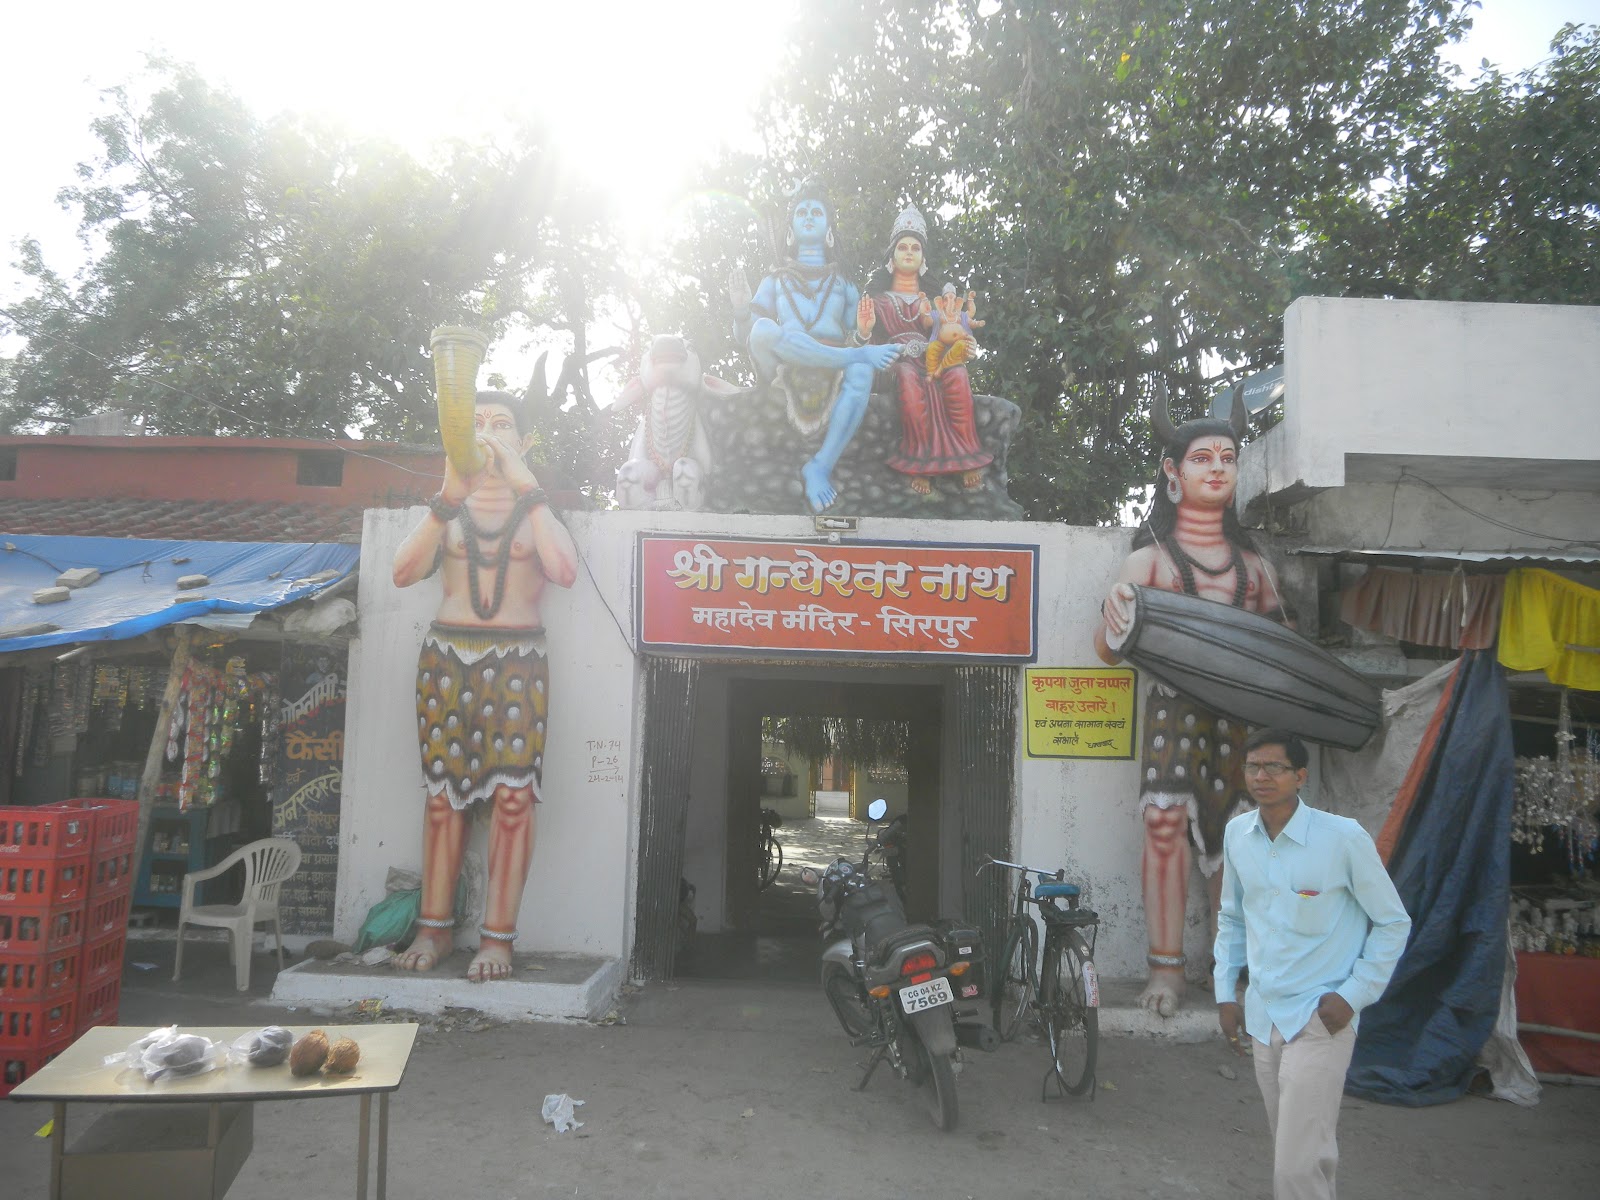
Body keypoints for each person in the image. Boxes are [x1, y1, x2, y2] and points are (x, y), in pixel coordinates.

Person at [1095, 388, 1282, 1015]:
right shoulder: (1147, 562)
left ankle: (1233, 973)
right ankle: (1166, 971)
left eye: (1227, 458)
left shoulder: (1254, 567)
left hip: (1241, 716)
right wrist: (1116, 619)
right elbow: (1107, 650)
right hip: (1172, 708)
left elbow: (1281, 652)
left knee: (1240, 835)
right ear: (1172, 473)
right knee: (1164, 824)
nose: (1217, 469)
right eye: (1202, 458)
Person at [390, 391, 578, 982]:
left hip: (520, 662)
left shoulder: (536, 511)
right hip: (446, 658)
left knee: (515, 799)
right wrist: (447, 498)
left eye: (502, 424)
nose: (489, 433)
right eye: (475, 425)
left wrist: (530, 488)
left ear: (524, 441)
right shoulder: (446, 508)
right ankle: (434, 929)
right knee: (443, 800)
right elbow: (402, 573)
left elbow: (564, 571)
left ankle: (498, 939)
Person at [1215, 729, 1411, 1200]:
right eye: (1253, 767)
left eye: (1274, 767)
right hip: (1264, 1014)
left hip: (1320, 1018)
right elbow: (1232, 918)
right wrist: (1225, 992)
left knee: (1296, 1164)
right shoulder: (1238, 835)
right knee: (1300, 1152)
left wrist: (1353, 995)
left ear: (1300, 776)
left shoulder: (1343, 838)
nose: (1261, 776)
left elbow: (1392, 922)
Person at [728, 180, 900, 512]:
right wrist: (740, 311)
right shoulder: (775, 280)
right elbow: (748, 337)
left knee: (862, 370)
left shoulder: (844, 285)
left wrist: (864, 332)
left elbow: (858, 332)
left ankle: (820, 466)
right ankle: (851, 357)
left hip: (832, 364)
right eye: (802, 212)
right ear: (790, 230)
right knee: (763, 328)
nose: (808, 217)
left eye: (816, 212)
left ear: (829, 230)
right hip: (783, 364)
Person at [859, 205, 993, 494]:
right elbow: (863, 348)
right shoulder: (878, 300)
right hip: (896, 361)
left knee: (957, 374)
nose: (909, 252)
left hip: (932, 360)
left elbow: (949, 334)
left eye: (915, 248)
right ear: (892, 256)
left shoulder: (934, 303)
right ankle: (920, 462)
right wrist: (864, 331)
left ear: (922, 258)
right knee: (908, 376)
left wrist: (964, 346)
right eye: (903, 247)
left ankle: (966, 455)